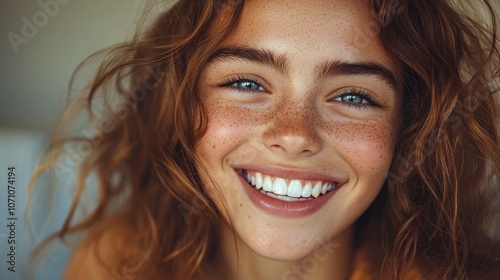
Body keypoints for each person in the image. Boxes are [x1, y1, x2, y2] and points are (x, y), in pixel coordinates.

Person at [30, 0, 500, 279]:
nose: (293, 135)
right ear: (180, 104)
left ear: (409, 128)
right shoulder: (117, 263)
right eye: (247, 84)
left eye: (354, 95)